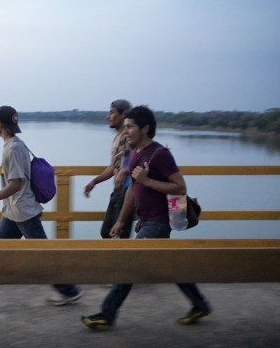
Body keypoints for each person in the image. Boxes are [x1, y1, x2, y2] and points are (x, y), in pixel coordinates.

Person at [81, 105, 211, 330]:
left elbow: (180, 187)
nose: (126, 131)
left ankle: (106, 315)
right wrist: (121, 220)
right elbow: (132, 189)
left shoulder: (160, 154)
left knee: (128, 266)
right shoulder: (135, 153)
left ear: (146, 128)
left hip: (158, 222)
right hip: (145, 221)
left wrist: (148, 180)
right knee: (170, 267)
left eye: (130, 127)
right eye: (125, 127)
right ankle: (200, 304)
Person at [0, 105, 83, 306]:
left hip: (23, 211)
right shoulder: (13, 144)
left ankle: (69, 291)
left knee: (42, 254)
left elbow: (15, 184)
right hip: (13, 211)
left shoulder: (14, 147)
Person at [84, 99, 135, 239]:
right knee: (106, 233)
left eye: (112, 113)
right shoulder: (118, 138)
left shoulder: (129, 137)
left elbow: (139, 162)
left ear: (124, 114)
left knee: (117, 237)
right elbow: (114, 166)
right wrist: (94, 181)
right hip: (118, 192)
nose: (108, 116)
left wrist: (124, 171)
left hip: (127, 192)